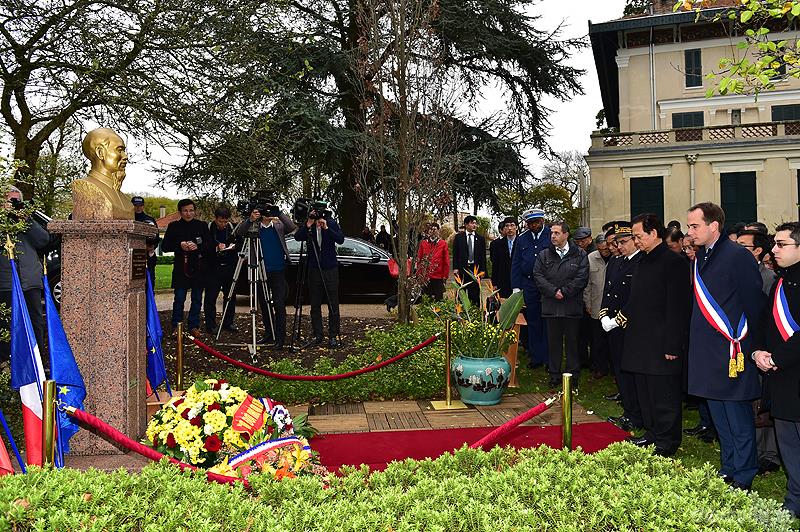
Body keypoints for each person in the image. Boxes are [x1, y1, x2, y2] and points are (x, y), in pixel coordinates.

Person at [687, 202, 764, 490]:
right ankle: (728, 466)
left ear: (713, 226)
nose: (690, 232)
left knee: (737, 415)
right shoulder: (701, 256)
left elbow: (753, 302)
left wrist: (754, 345)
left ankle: (744, 473)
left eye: (695, 226)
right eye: (689, 226)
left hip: (733, 348)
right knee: (719, 414)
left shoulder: (737, 256)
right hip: (707, 350)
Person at [604, 214, 691, 456]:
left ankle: (667, 440)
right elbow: (635, 300)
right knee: (645, 392)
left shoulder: (673, 262)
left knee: (663, 394)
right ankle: (652, 434)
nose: (636, 241)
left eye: (638, 236)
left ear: (654, 233)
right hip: (640, 340)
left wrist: (673, 345)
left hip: (661, 342)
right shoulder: (642, 261)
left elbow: (678, 308)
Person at [753, 222, 800, 516]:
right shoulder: (781, 282)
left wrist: (776, 358)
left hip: (791, 370)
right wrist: (758, 351)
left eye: (782, 244)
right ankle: (795, 498)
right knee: (789, 444)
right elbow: (765, 323)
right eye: (774, 243)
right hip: (780, 378)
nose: (774, 250)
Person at [533, 221, 589, 389]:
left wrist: (564, 291)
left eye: (556, 233)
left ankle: (572, 376)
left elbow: (582, 277)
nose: (553, 236)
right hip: (551, 306)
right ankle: (554, 375)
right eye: (552, 233)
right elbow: (538, 275)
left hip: (571, 306)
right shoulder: (544, 254)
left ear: (566, 234)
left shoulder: (579, 254)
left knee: (572, 342)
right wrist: (553, 291)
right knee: (554, 342)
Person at [600, 222, 645, 432]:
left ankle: (636, 414)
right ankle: (629, 411)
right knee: (619, 370)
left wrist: (618, 319)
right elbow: (608, 291)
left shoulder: (641, 262)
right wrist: (604, 316)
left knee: (631, 373)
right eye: (618, 242)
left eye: (624, 241)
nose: (620, 246)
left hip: (630, 327)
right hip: (613, 327)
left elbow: (637, 298)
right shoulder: (616, 262)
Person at [234, 204, 297, 349]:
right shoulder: (255, 228)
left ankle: (280, 337)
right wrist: (250, 219)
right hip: (260, 270)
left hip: (278, 270)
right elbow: (240, 232)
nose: (268, 213)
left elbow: (291, 227)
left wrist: (278, 213)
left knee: (279, 304)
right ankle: (269, 333)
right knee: (264, 303)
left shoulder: (278, 226)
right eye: (265, 211)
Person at [0, 186, 50, 364]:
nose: (13, 205)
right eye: (9, 201)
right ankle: (7, 365)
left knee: (35, 324)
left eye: (17, 201)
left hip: (30, 283)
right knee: (8, 326)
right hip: (6, 284)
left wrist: (26, 219)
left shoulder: (27, 221)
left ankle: (36, 363)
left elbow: (43, 240)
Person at [294, 212, 345, 348]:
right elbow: (297, 237)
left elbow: (340, 239)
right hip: (314, 269)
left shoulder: (331, 223)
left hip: (330, 269)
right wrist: (308, 224)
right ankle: (318, 334)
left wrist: (327, 228)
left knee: (333, 303)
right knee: (315, 303)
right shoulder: (309, 226)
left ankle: (333, 335)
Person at [161, 199, 210, 338]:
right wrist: (179, 245)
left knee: (197, 299)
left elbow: (209, 245)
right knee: (179, 298)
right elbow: (165, 247)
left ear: (195, 211)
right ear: (180, 212)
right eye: (185, 211)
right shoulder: (173, 226)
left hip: (198, 268)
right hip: (180, 268)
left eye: (191, 210)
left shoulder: (202, 226)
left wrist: (197, 246)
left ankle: (194, 326)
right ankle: (177, 326)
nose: (188, 213)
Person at [511, 208, 551, 369]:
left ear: (542, 221)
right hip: (529, 285)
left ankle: (549, 358)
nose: (533, 225)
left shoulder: (551, 235)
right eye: (530, 223)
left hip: (547, 284)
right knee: (533, 321)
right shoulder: (522, 239)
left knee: (547, 322)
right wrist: (516, 287)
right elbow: (516, 263)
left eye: (536, 222)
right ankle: (536, 357)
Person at [72, 128, 135, 220]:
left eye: (124, 151)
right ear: (100, 153)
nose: (125, 156)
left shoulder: (126, 201)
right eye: (119, 150)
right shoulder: (86, 187)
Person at [204, 206, 239, 334]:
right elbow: (204, 246)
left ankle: (228, 322)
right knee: (211, 297)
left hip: (229, 267)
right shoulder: (208, 229)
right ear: (215, 219)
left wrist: (233, 247)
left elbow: (240, 244)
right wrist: (216, 248)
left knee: (230, 296)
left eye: (225, 221)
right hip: (213, 268)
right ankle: (210, 324)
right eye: (220, 221)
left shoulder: (233, 228)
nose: (223, 224)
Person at [584, 234, 612, 379]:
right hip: (596, 305)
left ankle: (612, 366)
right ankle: (599, 367)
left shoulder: (616, 256)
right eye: (600, 249)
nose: (604, 252)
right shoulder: (591, 258)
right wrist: (587, 303)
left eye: (606, 249)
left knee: (612, 339)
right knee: (597, 340)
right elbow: (587, 284)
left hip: (612, 307)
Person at [452, 215, 487, 305]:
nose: (474, 225)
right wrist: (455, 268)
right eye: (472, 223)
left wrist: (483, 270)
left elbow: (483, 256)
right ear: (466, 224)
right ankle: (461, 311)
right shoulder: (459, 237)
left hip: (475, 270)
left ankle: (475, 311)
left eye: (475, 223)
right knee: (461, 293)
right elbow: (455, 253)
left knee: (474, 294)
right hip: (462, 269)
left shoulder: (480, 239)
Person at [416, 222, 449, 301]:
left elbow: (446, 261)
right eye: (431, 229)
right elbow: (419, 259)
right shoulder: (423, 243)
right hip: (425, 276)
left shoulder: (443, 244)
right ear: (428, 231)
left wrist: (445, 276)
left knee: (439, 300)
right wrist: (419, 274)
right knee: (426, 300)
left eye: (435, 229)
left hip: (438, 276)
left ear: (438, 231)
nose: (433, 231)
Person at [132, 195, 159, 281]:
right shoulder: (127, 219)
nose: (138, 207)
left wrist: (151, 246)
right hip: (131, 255)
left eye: (140, 205)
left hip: (147, 256)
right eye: (135, 205)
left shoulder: (149, 220)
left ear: (143, 206)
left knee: (149, 282)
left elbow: (156, 237)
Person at [489, 217, 517, 298]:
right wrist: (494, 283)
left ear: (516, 227)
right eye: (507, 226)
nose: (509, 228)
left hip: (518, 281)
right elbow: (495, 264)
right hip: (503, 281)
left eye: (512, 225)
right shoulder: (497, 244)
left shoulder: (522, 242)